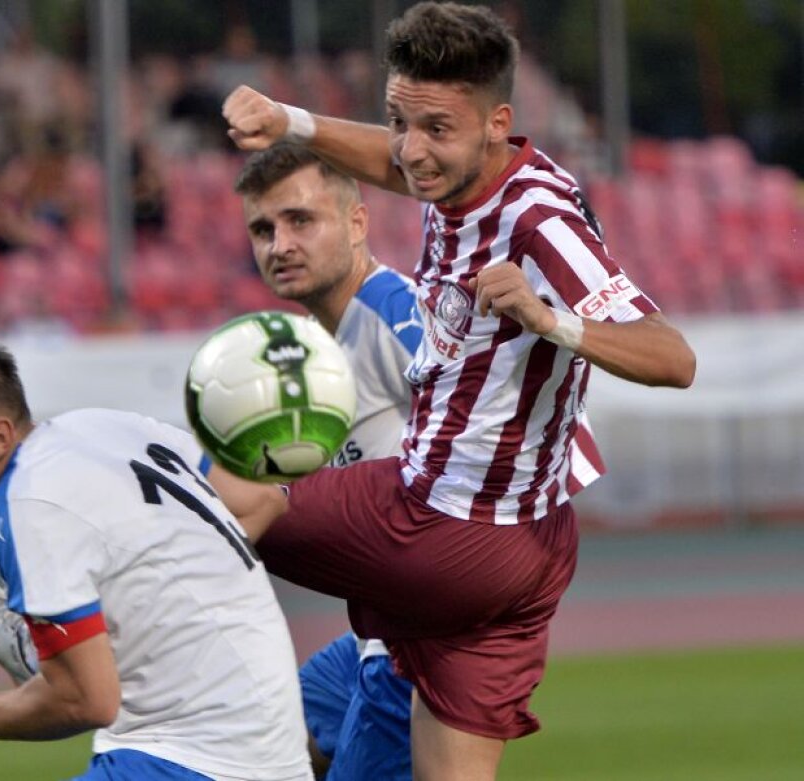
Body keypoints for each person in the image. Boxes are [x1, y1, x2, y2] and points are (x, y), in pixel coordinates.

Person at [221, 3, 696, 779]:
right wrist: (292, 122)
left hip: (439, 522)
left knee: (223, 494)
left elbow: (673, 357)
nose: (412, 150)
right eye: (399, 120)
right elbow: (395, 162)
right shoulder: (477, 173)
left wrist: (552, 322)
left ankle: (77, 650)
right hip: (532, 550)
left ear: (496, 122)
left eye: (435, 129)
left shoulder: (538, 222)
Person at [0, 330, 312, 780]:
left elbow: (87, 701)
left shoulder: (29, 504)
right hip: (272, 747)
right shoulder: (105, 424)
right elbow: (262, 500)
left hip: (190, 759)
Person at [235, 143, 420, 781]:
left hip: (416, 647)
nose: (279, 244)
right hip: (371, 641)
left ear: (357, 223)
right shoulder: (317, 350)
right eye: (264, 229)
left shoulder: (395, 311)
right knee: (252, 755)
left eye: (300, 221)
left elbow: (491, 422)